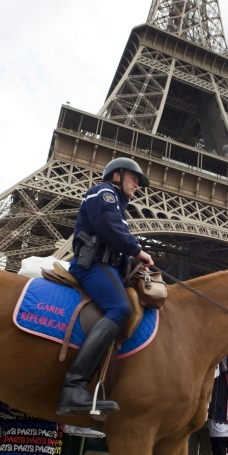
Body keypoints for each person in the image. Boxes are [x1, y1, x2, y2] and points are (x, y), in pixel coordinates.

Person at [56, 158, 154, 416]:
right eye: (134, 178)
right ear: (117, 176)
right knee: (121, 309)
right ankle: (73, 386)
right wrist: (137, 251)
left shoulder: (118, 204)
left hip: (106, 266)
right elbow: (107, 226)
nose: (137, 185)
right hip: (92, 265)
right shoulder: (104, 192)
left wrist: (132, 262)